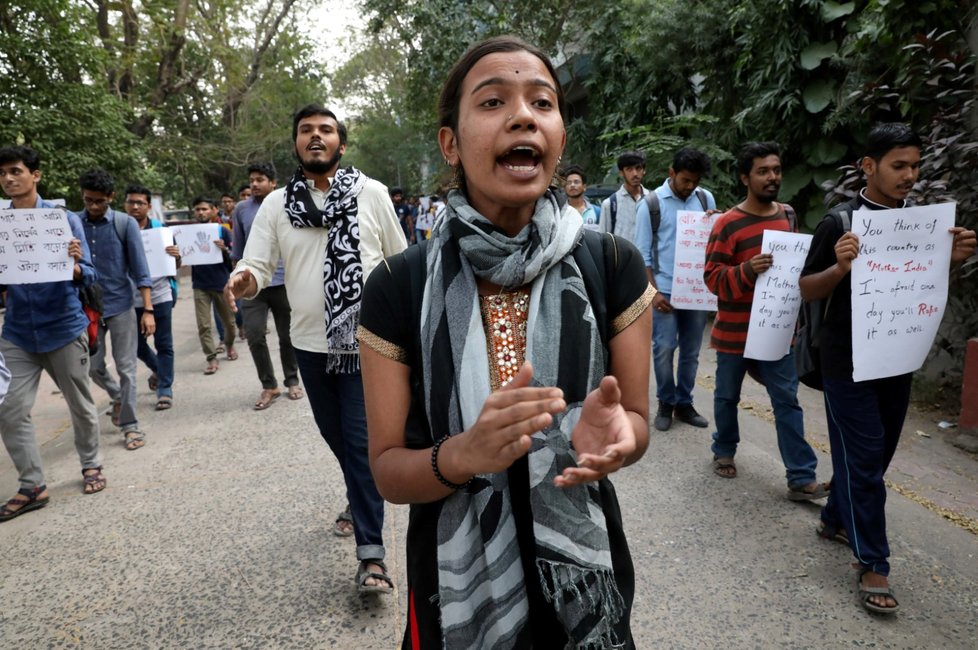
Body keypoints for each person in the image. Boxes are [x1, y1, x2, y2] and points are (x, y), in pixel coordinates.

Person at [358, 36, 653, 648]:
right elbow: (388, 471)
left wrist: (623, 438)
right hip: (454, 577)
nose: (523, 116)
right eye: (493, 102)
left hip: (583, 568)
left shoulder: (614, 263)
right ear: (451, 143)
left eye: (542, 103)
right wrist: (465, 454)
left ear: (560, 135)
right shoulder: (397, 285)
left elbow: (636, 422)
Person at [225, 104, 406, 594]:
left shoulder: (370, 194)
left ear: (341, 144)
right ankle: (360, 494)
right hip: (308, 345)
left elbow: (399, 260)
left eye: (326, 130)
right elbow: (258, 263)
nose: (316, 136)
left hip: (368, 342)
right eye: (306, 130)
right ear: (296, 145)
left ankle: (371, 555)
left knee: (361, 441)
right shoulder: (277, 205)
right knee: (339, 441)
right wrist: (245, 279)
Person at [800, 123, 977, 615]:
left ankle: (836, 517)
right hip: (846, 365)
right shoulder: (840, 222)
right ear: (869, 166)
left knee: (875, 460)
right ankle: (873, 561)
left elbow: (915, 285)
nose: (909, 176)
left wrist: (950, 258)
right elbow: (806, 289)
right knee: (865, 459)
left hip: (898, 361)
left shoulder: (922, 225)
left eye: (915, 166)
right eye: (899, 165)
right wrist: (838, 267)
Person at [703, 142, 829, 499]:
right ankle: (724, 450)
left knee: (787, 401)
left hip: (776, 332)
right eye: (763, 171)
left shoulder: (787, 216)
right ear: (745, 177)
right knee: (727, 397)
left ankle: (801, 478)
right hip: (733, 333)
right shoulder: (727, 224)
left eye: (775, 169)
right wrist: (746, 270)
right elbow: (712, 279)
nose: (772, 177)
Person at [0, 145, 105, 521]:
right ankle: (32, 486)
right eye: (3, 174)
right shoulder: (0, 222)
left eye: (15, 171)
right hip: (17, 333)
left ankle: (91, 464)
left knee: (80, 404)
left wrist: (75, 265)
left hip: (63, 326)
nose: (9, 179)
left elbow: (90, 275)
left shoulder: (60, 219)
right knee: (10, 410)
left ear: (35, 175)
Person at [635, 147, 716, 431]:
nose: (690, 186)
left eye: (695, 181)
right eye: (685, 180)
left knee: (692, 351)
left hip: (696, 290)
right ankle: (665, 402)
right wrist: (653, 293)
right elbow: (641, 254)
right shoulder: (651, 204)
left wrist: (715, 222)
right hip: (664, 291)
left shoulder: (705, 199)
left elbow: (714, 246)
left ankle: (684, 403)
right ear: (672, 173)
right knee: (664, 348)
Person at [80, 168, 154, 452]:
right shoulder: (73, 222)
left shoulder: (125, 224)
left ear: (111, 197)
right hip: (87, 310)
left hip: (121, 304)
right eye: (89, 200)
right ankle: (117, 397)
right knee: (92, 367)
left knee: (126, 367)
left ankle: (130, 425)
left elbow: (140, 269)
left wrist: (147, 310)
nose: (95, 206)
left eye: (100, 201)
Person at [230, 162, 302, 410]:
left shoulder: (287, 204)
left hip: (284, 282)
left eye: (260, 179)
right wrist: (235, 279)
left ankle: (292, 379)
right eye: (252, 179)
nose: (254, 184)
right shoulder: (241, 210)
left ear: (273, 183)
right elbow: (238, 249)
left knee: (287, 336)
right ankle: (269, 385)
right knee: (254, 334)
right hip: (253, 285)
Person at [125, 184, 181, 411]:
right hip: (130, 298)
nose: (135, 207)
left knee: (164, 342)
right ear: (125, 204)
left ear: (149, 206)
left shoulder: (161, 229)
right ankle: (159, 368)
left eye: (140, 203)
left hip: (160, 293)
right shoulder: (120, 229)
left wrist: (176, 257)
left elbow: (176, 265)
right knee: (136, 346)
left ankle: (165, 389)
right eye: (131, 202)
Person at [190, 197, 237, 374]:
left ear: (214, 210)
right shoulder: (188, 233)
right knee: (203, 325)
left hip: (221, 283)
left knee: (229, 323)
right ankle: (211, 358)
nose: (200, 212)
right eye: (197, 209)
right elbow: (181, 257)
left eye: (204, 209)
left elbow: (233, 258)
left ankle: (230, 344)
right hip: (199, 284)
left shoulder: (222, 231)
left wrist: (224, 249)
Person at [600, 150, 647, 242]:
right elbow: (603, 240)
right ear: (621, 172)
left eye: (638, 168)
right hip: (621, 256)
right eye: (629, 169)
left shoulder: (653, 200)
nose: (635, 174)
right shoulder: (610, 204)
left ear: (644, 171)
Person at [561, 163, 600, 230]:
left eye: (576, 182)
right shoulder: (560, 212)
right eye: (569, 183)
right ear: (565, 188)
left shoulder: (597, 211)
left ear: (584, 187)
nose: (572, 185)